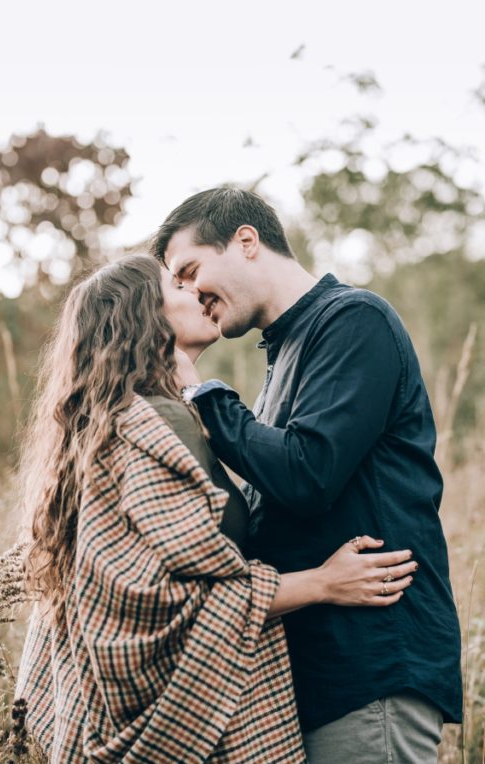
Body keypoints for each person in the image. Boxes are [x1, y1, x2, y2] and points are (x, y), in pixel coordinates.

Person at [14, 254, 418, 763]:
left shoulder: (128, 419)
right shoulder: (156, 422)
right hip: (185, 721)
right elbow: (169, 598)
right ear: (148, 316)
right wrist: (322, 582)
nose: (197, 292)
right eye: (177, 285)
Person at [153, 186, 462, 762]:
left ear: (246, 242)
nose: (193, 294)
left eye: (191, 270)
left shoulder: (354, 320)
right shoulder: (284, 352)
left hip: (370, 669)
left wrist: (201, 392)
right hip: (318, 680)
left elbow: (307, 473)